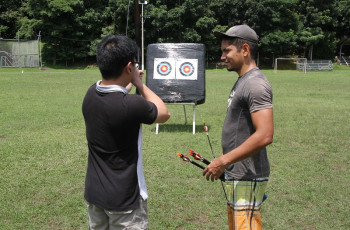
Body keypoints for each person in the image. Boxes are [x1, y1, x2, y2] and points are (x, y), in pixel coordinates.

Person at [82, 34, 170, 230]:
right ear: (129, 67)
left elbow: (116, 93)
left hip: (95, 195)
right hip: (125, 201)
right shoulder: (132, 104)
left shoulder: (90, 94)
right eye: (135, 65)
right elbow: (164, 113)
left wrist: (130, 79)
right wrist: (139, 84)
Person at [202, 25, 274, 230]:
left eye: (227, 51)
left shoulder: (255, 84)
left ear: (245, 49)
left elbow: (265, 135)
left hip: (247, 175)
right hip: (238, 173)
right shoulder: (244, 81)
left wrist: (223, 161)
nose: (222, 56)